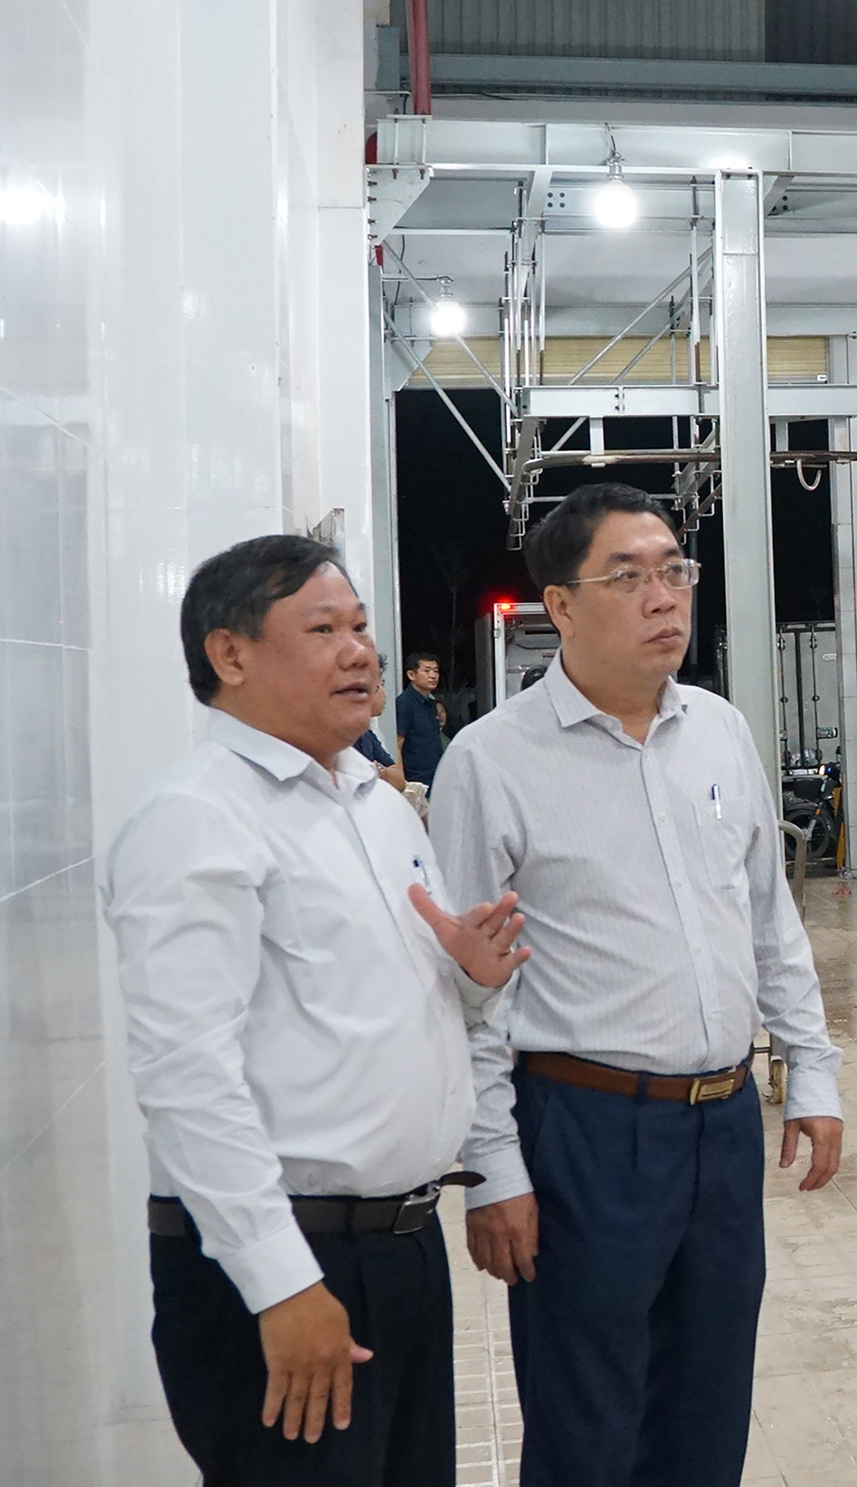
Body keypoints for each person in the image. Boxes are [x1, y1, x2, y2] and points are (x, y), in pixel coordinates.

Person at [429, 482, 845, 1487]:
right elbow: (467, 988)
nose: (664, 596)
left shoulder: (719, 730)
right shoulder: (490, 761)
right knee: (589, 1420)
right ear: (559, 604)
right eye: (628, 576)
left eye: (674, 570)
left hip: (722, 1118)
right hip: (584, 1129)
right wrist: (495, 1165)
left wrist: (814, 1072)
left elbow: (766, 918)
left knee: (707, 1407)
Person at [101, 535, 530, 1487]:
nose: (360, 652)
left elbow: (375, 1012)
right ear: (231, 655)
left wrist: (467, 973)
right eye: (324, 629)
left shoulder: (371, 807)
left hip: (400, 1250)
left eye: (363, 627)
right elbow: (185, 1075)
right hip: (293, 1260)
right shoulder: (198, 816)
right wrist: (281, 1280)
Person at [351, 655, 409, 794]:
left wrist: (381, 774)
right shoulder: (335, 737)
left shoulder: (366, 732)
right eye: (381, 685)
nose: (385, 694)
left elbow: (398, 779)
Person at [395, 651, 443, 789]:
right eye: (427, 671)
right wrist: (401, 779)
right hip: (415, 780)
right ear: (411, 675)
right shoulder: (404, 703)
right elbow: (398, 743)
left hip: (435, 777)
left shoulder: (431, 703)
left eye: (435, 671)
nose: (433, 676)